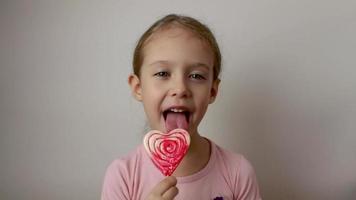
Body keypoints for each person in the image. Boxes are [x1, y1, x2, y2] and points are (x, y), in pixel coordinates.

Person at [101, 14, 262, 200]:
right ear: (138, 88)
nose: (180, 89)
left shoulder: (238, 173)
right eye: (162, 73)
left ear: (212, 91)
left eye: (196, 76)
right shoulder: (123, 176)